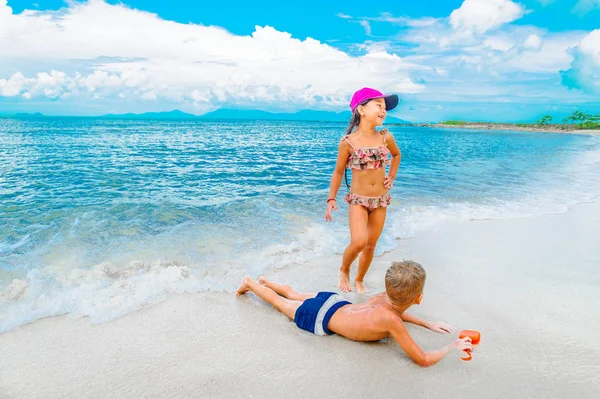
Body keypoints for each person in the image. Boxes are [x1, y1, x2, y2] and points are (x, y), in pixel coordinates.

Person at [235, 260, 473, 367]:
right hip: (321, 317)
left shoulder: (384, 297)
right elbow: (421, 358)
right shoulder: (391, 319)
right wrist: (451, 346)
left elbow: (399, 312)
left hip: (333, 301)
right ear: (418, 298)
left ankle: (267, 280)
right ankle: (251, 283)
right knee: (279, 303)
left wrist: (427, 324)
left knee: (293, 293)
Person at [325, 87, 402, 293]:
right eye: (378, 105)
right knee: (359, 241)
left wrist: (391, 176)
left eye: (384, 107)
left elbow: (396, 155)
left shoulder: (386, 137)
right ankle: (344, 269)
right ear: (361, 109)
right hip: (358, 201)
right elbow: (339, 172)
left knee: (370, 245)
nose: (383, 110)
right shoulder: (348, 142)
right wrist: (331, 198)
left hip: (380, 200)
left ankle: (359, 279)